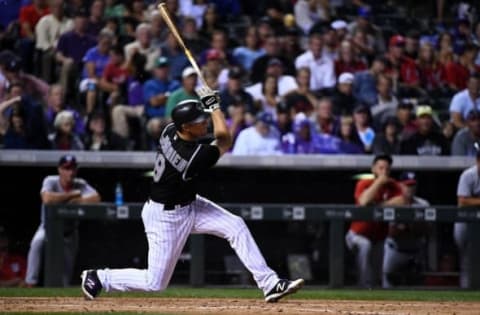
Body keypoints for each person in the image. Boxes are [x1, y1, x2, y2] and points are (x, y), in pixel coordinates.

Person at [80, 86, 304, 302]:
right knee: (155, 283)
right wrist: (215, 107)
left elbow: (208, 135)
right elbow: (225, 139)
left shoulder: (170, 130)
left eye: (204, 118)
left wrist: (207, 107)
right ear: (186, 127)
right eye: (199, 121)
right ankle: (99, 277)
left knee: (235, 226)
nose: (204, 122)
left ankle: (270, 283)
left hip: (188, 204)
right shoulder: (190, 158)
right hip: (165, 218)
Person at [25, 155, 101, 287]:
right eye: (66, 169)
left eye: (72, 168)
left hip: (70, 232)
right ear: (59, 169)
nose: (70, 172)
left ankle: (62, 295)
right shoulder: (50, 181)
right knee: (36, 243)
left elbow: (96, 198)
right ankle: (30, 282)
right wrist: (71, 195)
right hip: (48, 228)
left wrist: (79, 201)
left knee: (66, 271)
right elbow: (47, 199)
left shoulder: (80, 184)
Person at [345, 154, 405, 288]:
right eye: (380, 168)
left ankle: (375, 291)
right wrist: (378, 182)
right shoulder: (364, 183)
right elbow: (364, 201)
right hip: (357, 235)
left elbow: (402, 201)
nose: (384, 172)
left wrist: (379, 205)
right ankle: (362, 285)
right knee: (365, 245)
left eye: (387, 169)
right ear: (373, 169)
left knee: (377, 274)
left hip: (379, 237)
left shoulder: (393, 185)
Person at [382, 171, 429, 288]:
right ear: (400, 185)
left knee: (418, 286)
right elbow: (391, 232)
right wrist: (411, 227)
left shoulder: (423, 204)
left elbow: (427, 230)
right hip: (395, 250)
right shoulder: (393, 203)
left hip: (416, 251)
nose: (410, 188)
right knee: (387, 285)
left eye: (412, 185)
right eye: (407, 185)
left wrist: (406, 227)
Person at [455, 147, 480, 288]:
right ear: (478, 161)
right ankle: (465, 292)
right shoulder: (468, 175)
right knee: (466, 260)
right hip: (465, 221)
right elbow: (463, 201)